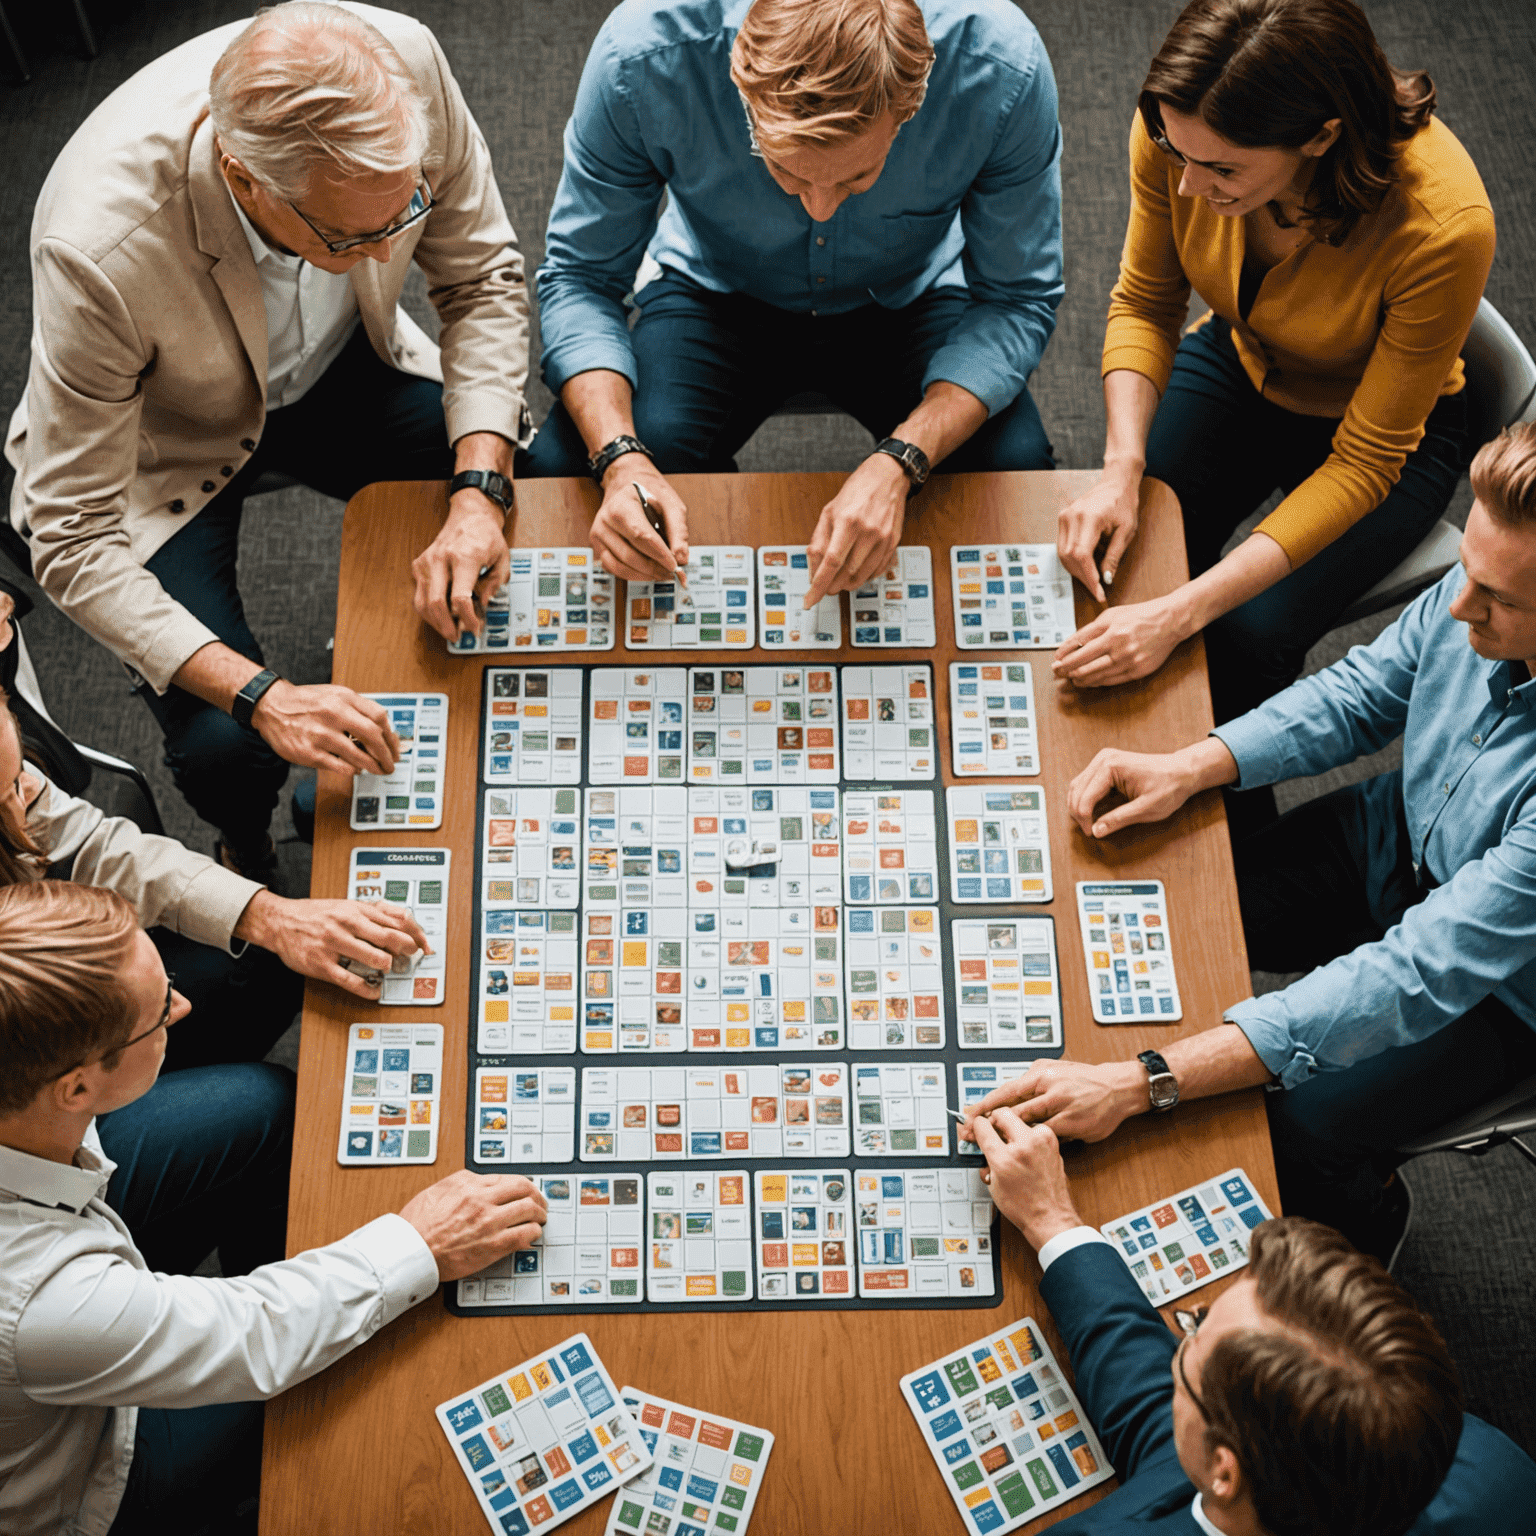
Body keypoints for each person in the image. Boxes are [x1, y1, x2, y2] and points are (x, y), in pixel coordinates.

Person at [967, 423, 1536, 1262]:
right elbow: (1360, 694)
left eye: (1499, 600)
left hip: (1499, 992)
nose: (1458, 607)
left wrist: (1142, 1082)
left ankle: (1366, 1209)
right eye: (1466, 572)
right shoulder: (1480, 587)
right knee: (1185, 913)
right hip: (1403, 833)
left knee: (1297, 1131)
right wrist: (1193, 765)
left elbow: (1416, 971)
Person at [4, 1, 534, 882]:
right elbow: (69, 537)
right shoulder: (97, 248)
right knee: (226, 748)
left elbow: (480, 281)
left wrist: (479, 495)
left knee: (534, 479)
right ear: (245, 180)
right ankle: (246, 841)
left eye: (404, 210)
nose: (389, 246)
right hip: (165, 448)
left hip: (347, 365)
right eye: (351, 235)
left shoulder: (408, 63)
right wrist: (262, 695)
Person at [0, 880, 547, 1536]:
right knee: (343, 1368)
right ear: (77, 1086)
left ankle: (282, 1258)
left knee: (263, 1108)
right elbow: (256, 1335)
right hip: (88, 1472)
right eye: (156, 1011)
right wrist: (422, 1240)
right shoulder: (39, 1303)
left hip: (56, 1203)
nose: (182, 1005)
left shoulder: (31, 1096)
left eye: (165, 977)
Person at [1052, 0, 1494, 736]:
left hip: (1382, 437)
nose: (1189, 185)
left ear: (1321, 137)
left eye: (1222, 168)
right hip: (1245, 359)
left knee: (1249, 634)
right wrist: (1120, 469)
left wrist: (1183, 611)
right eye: (1179, 154)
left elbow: (1364, 461)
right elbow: (1145, 299)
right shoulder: (1179, 131)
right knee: (1119, 561)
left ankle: (1227, 813)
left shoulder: (1445, 225)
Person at [534, 0, 1064, 603]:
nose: (820, 207)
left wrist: (903, 459)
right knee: (563, 469)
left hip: (909, 297)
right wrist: (622, 459)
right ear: (741, 87)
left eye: (857, 178)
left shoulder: (1000, 66)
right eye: (784, 171)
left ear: (911, 103)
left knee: (1014, 467)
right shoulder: (641, 56)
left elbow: (1017, 297)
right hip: (714, 291)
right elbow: (580, 277)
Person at [967, 1113, 1536, 1535]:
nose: (1176, 1342)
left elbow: (1162, 1456)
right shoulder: (1495, 1472)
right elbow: (1158, 1435)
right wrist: (1053, 1224)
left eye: (1190, 1333)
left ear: (1224, 1471)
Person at [0, 679, 429, 1067]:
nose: (33, 794)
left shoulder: (18, 789)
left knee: (267, 956)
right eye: (8, 796)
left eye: (20, 776)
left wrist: (274, 918)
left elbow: (89, 846)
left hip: (62, 968)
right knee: (268, 1108)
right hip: (38, 1070)